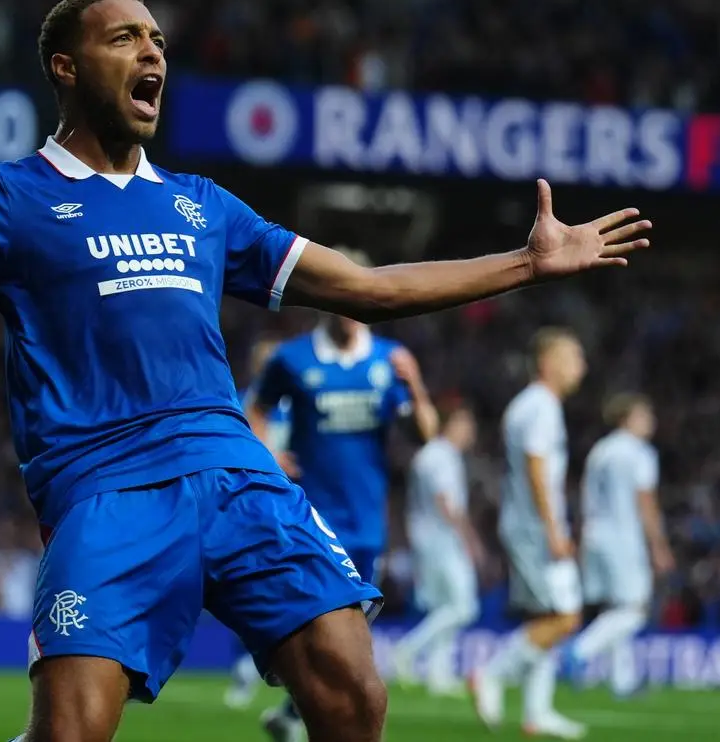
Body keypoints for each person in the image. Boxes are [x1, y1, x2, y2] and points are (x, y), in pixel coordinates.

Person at [0, 0, 650, 742]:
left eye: (157, 38)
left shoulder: (204, 206)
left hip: (236, 473)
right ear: (66, 68)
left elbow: (368, 287)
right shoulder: (8, 197)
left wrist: (526, 263)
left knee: (355, 696)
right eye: (125, 38)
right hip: (106, 489)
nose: (152, 52)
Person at [247, 267, 440, 742]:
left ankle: (295, 714)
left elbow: (426, 434)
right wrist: (266, 453)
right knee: (328, 623)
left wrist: (415, 388)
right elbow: (255, 409)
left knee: (348, 628)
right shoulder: (292, 360)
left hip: (366, 517)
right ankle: (323, 716)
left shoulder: (389, 358)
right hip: (310, 512)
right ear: (324, 300)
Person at [471, 329, 589, 740]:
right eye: (572, 357)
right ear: (547, 362)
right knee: (565, 616)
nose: (581, 367)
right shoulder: (541, 407)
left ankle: (537, 714)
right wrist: (554, 528)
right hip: (535, 527)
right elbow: (537, 469)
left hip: (528, 523)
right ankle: (492, 673)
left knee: (546, 616)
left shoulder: (530, 405)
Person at [562, 394, 672, 696]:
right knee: (635, 610)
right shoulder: (639, 452)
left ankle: (622, 681)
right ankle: (579, 651)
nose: (651, 421)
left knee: (615, 608)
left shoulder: (600, 451)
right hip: (624, 537)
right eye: (644, 415)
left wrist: (582, 539)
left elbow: (584, 498)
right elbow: (645, 500)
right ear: (628, 417)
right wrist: (658, 544)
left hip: (595, 535)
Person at [392, 403, 482, 696]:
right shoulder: (443, 456)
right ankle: (407, 649)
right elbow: (447, 503)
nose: (472, 431)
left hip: (426, 539)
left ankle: (437, 673)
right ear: (451, 423)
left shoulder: (429, 455)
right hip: (444, 540)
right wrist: (470, 539)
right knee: (463, 607)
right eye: (466, 424)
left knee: (445, 607)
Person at [224, 337, 291, 710]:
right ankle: (242, 669)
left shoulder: (294, 404)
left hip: (289, 505)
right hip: (251, 505)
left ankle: (271, 666)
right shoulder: (241, 401)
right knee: (248, 585)